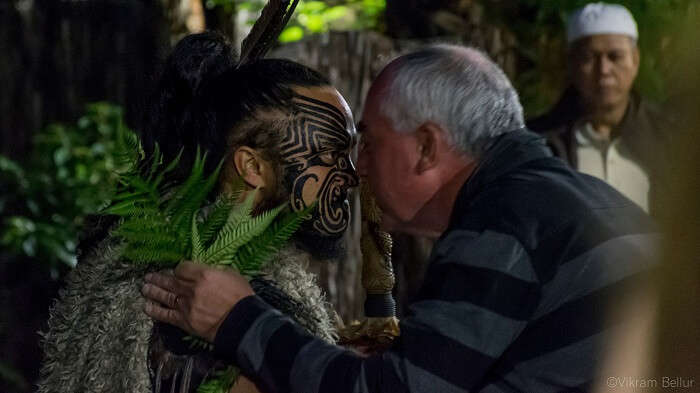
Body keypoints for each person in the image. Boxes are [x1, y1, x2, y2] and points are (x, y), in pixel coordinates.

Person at [143, 44, 658, 392]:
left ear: (428, 146)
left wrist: (239, 320)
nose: (355, 169)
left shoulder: (507, 221)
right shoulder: (577, 200)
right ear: (251, 166)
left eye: (368, 143)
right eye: (341, 150)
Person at [38, 31, 359, 393]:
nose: (352, 176)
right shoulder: (210, 306)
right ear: (252, 167)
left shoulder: (139, 258)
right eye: (332, 157)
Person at [528, 2, 674, 213]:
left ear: (635, 60)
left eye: (615, 57)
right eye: (589, 58)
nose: (604, 69)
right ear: (571, 64)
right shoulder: (539, 143)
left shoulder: (671, 138)